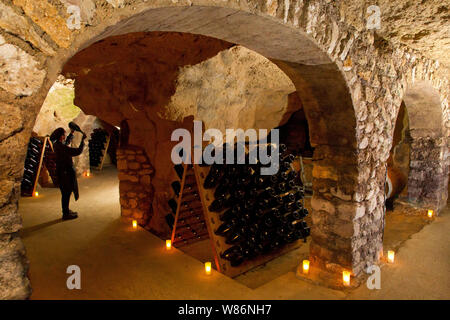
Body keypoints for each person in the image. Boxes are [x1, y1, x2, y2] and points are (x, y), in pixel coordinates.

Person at [50, 127, 87, 220]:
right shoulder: (61, 147)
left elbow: (66, 143)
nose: (65, 136)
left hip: (62, 172)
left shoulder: (57, 144)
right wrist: (83, 141)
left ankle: (66, 210)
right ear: (61, 136)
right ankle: (65, 214)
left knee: (65, 192)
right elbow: (77, 151)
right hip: (65, 173)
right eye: (64, 134)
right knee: (66, 193)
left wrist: (72, 133)